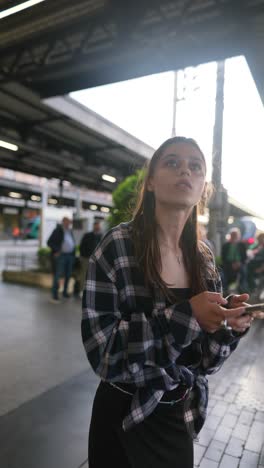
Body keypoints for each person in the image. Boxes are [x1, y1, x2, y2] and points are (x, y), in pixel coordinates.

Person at [81, 136, 253, 468]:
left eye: (195, 166)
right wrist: (189, 315)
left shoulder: (203, 259)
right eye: (171, 162)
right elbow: (103, 354)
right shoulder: (117, 246)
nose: (184, 170)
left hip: (179, 415)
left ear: (203, 188)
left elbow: (206, 364)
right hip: (123, 415)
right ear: (150, 183)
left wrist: (227, 325)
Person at [47, 217, 75, 303]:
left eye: (69, 222)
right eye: (66, 222)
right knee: (58, 275)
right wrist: (56, 251)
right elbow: (49, 242)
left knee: (68, 274)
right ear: (63, 222)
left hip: (70, 256)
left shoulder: (70, 231)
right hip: (61, 256)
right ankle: (54, 295)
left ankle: (65, 293)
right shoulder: (58, 230)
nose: (68, 223)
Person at [221, 228, 248, 294]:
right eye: (233, 235)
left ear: (239, 236)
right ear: (230, 236)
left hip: (240, 263)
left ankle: (242, 288)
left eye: (236, 235)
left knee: (244, 272)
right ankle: (225, 289)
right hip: (228, 264)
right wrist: (231, 264)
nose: (234, 237)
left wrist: (239, 263)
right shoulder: (225, 245)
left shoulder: (242, 245)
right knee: (223, 273)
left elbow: (244, 257)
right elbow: (223, 257)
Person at [79, 221, 102, 291]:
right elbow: (82, 246)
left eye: (98, 226)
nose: (97, 227)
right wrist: (83, 256)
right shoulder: (87, 235)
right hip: (86, 258)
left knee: (95, 276)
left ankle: (92, 290)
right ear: (93, 226)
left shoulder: (101, 236)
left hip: (97, 260)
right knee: (84, 274)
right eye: (96, 226)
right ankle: (82, 290)